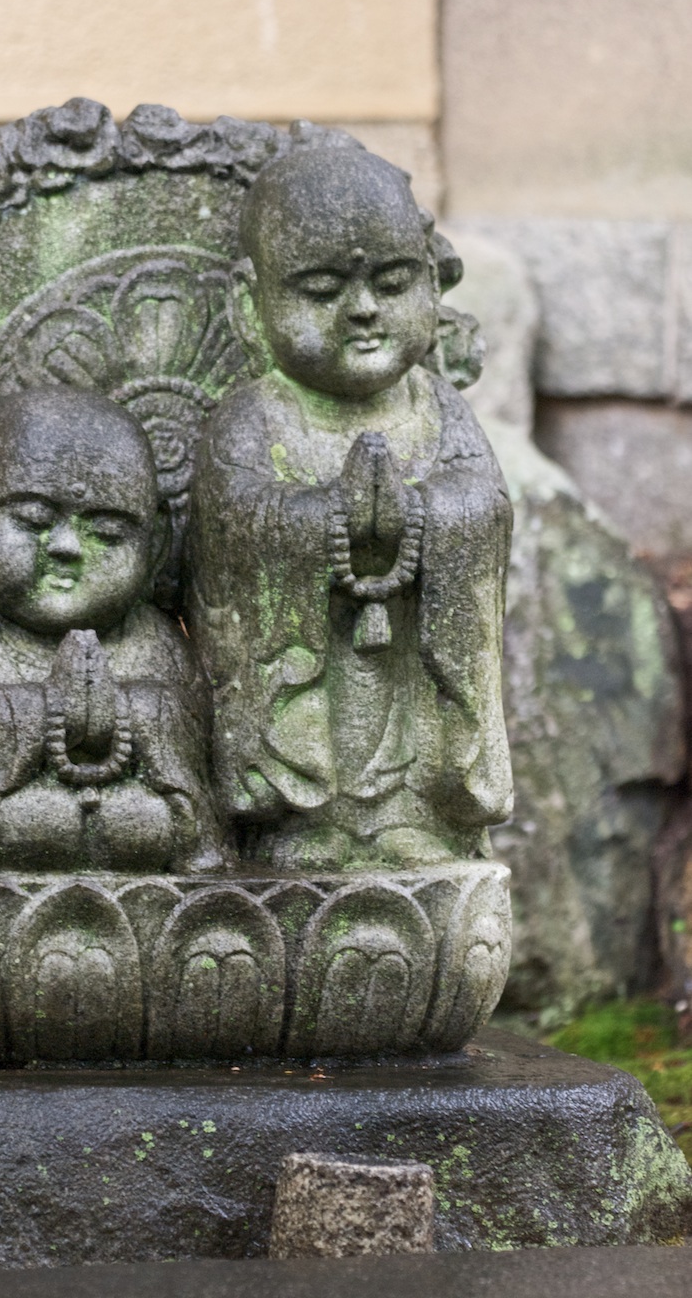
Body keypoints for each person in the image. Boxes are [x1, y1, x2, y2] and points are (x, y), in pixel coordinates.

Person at [187, 142, 513, 871]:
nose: (363, 309)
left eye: (392, 283)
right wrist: (324, 521)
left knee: (409, 735)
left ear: (431, 283)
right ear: (249, 304)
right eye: (321, 289)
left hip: (409, 652)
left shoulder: (439, 408)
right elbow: (233, 520)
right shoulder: (252, 417)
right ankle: (305, 821)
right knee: (316, 747)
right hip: (307, 664)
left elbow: (484, 506)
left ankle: (414, 815)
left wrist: (422, 517)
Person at [0, 386, 223, 874]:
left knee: (147, 819)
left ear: (156, 542)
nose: (67, 546)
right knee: (28, 819)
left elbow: (188, 718)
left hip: (125, 810)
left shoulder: (151, 634)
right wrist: (56, 705)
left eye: (108, 532)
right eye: (33, 520)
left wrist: (118, 708)